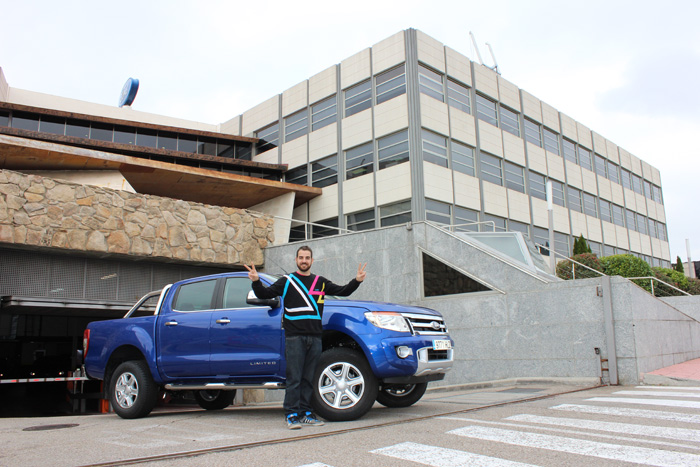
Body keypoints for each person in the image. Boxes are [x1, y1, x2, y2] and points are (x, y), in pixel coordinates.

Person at [244, 246, 367, 430]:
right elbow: (265, 294)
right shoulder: (287, 281)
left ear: (312, 261)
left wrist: (357, 281)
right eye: (301, 257)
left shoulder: (320, 282)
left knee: (309, 378)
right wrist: (255, 281)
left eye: (307, 257)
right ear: (296, 260)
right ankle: (291, 414)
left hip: (315, 337)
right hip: (294, 337)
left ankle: (306, 413)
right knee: (294, 377)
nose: (304, 260)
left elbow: (343, 291)